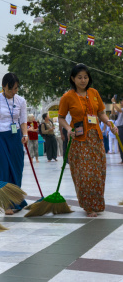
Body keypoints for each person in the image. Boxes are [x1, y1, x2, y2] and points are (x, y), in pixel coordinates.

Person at [58, 64, 117, 217]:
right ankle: (87, 206)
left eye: (85, 77)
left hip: (96, 139)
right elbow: (61, 118)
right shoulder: (67, 97)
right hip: (78, 140)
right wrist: (68, 129)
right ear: (73, 78)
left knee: (98, 172)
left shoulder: (94, 93)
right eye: (79, 77)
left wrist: (110, 124)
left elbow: (101, 113)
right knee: (83, 174)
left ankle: (97, 204)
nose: (83, 80)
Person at [0, 72, 28, 215]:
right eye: (10, 89)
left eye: (16, 88)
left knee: (17, 167)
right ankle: (7, 204)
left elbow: (23, 120)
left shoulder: (21, 101)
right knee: (3, 168)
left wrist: (25, 134)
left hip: (15, 137)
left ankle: (17, 199)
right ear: (3, 87)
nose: (13, 92)